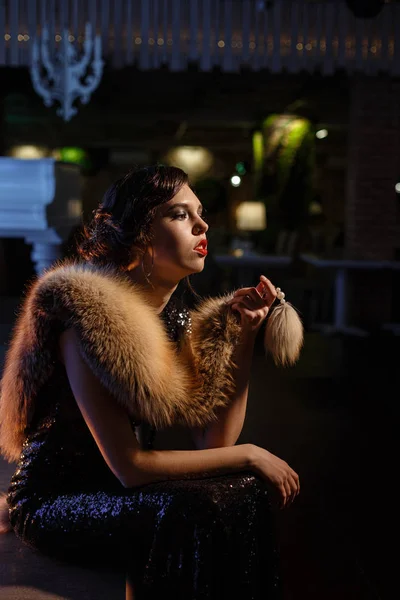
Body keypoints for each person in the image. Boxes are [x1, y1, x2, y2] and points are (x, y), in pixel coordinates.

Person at [0, 165, 303, 599]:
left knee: (246, 493)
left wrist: (245, 337)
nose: (203, 225)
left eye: (199, 213)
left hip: (120, 491)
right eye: (180, 215)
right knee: (188, 510)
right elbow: (131, 467)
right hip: (58, 501)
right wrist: (251, 453)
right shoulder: (85, 319)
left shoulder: (178, 319)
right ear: (141, 234)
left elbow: (214, 444)